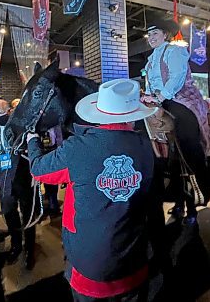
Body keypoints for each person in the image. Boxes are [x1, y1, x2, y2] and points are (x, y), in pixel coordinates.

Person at [26, 79, 162, 302]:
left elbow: (39, 170)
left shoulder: (78, 147)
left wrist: (33, 142)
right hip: (133, 256)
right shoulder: (145, 145)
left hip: (90, 263)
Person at [142, 18, 210, 223]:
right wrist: (147, 96)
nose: (151, 38)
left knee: (185, 131)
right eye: (149, 35)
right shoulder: (150, 59)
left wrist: (161, 97)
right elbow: (150, 82)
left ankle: (198, 176)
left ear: (165, 35)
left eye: (155, 34)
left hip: (181, 98)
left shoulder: (175, 51)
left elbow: (177, 77)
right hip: (158, 100)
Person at [0, 99, 37, 269]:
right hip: (3, 182)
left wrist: (36, 171)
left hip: (24, 178)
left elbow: (35, 149)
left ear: (9, 112)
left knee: (29, 214)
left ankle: (30, 248)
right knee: (9, 215)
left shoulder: (22, 127)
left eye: (1, 114)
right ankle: (16, 244)